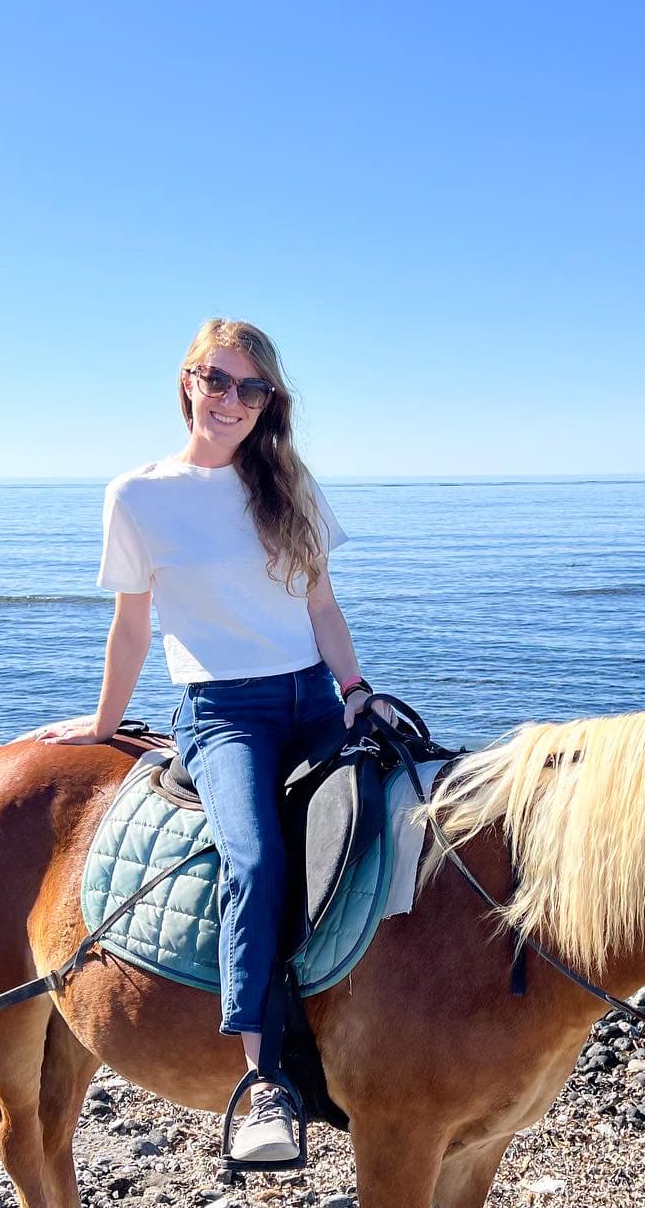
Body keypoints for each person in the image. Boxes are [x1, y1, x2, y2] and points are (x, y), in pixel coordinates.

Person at [36, 318, 390, 1163]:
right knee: (256, 859)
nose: (234, 400)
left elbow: (322, 607)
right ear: (188, 381)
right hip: (222, 711)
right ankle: (264, 1079)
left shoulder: (289, 484)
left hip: (313, 694)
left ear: (270, 402)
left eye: (253, 387)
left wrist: (356, 690)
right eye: (219, 381)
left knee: (417, 815)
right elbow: (132, 626)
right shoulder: (139, 496)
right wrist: (99, 721)